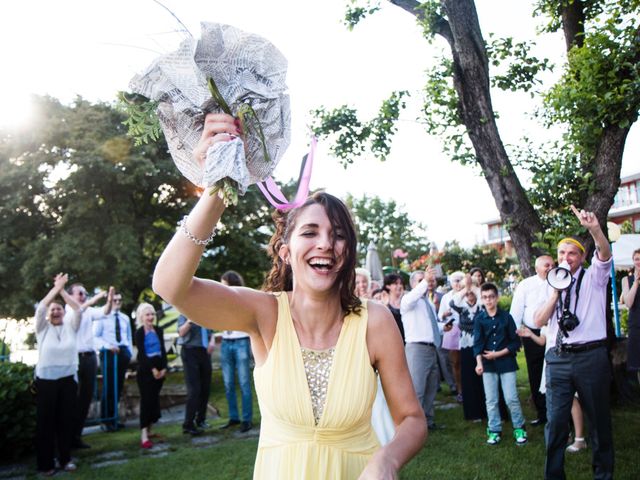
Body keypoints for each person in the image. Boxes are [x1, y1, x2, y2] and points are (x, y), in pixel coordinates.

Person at [153, 113, 425, 479]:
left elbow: (411, 419)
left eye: (339, 234)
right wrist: (219, 185)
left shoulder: (374, 320)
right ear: (285, 252)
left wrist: (387, 458)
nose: (326, 244)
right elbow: (170, 286)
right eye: (310, 232)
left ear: (349, 251)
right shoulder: (263, 314)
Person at [534, 205, 614, 480]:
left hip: (591, 357)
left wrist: (594, 229)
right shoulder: (551, 282)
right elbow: (538, 320)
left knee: (599, 422)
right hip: (559, 358)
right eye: (561, 253)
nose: (566, 258)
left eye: (572, 253)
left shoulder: (594, 276)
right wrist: (556, 294)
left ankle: (603, 474)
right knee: (555, 423)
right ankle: (553, 475)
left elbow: (604, 254)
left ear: (581, 256)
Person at [34, 273, 81, 475]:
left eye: (59, 309)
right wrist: (55, 289)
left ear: (63, 312)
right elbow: (40, 308)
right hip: (46, 381)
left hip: (68, 379)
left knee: (65, 421)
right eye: (53, 309)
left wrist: (63, 291)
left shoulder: (71, 326)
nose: (55, 311)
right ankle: (46, 463)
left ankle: (65, 459)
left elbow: (77, 309)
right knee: (46, 423)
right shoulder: (42, 329)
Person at [474, 282, 527, 446]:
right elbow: (477, 344)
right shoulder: (480, 319)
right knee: (491, 400)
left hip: (506, 362)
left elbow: (515, 343)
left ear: (496, 298)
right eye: (485, 297)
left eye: (491, 297)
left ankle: (519, 428)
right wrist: (479, 363)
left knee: (511, 398)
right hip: (488, 365)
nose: (488, 300)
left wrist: (498, 353)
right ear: (481, 300)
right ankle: (494, 430)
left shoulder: (506, 317)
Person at [401, 267, 449, 431]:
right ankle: (412, 428)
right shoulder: (408, 300)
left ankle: (428, 422)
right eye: (421, 280)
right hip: (417, 350)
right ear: (413, 283)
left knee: (430, 388)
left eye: (426, 279)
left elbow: (431, 325)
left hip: (431, 348)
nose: (426, 282)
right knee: (417, 390)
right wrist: (425, 281)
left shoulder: (426, 302)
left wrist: (443, 327)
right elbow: (414, 295)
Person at [510, 254, 555, 426]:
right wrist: (515, 336)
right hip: (531, 333)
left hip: (553, 332)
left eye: (552, 264)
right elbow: (516, 311)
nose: (550, 267)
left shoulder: (558, 281)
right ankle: (542, 413)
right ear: (537, 268)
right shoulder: (526, 285)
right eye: (546, 265)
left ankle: (560, 413)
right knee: (535, 373)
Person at [67, 283, 107, 449]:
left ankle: (77, 436)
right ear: (70, 296)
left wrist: (109, 300)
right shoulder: (67, 312)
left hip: (89, 357)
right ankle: (66, 436)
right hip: (74, 358)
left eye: (84, 293)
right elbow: (80, 309)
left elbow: (105, 312)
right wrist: (96, 298)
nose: (83, 296)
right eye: (80, 293)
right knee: (71, 399)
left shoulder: (89, 311)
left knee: (85, 398)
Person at [219, 270, 254, 433]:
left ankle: (247, 419)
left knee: (244, 383)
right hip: (226, 342)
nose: (221, 286)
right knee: (228, 383)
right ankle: (234, 417)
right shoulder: (221, 301)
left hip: (241, 342)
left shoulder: (243, 299)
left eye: (223, 283)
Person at [94, 287, 132, 431]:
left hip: (121, 352)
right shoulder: (102, 317)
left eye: (119, 300)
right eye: (114, 300)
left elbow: (128, 336)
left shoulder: (124, 318)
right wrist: (107, 346)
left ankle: (114, 418)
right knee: (108, 386)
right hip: (108, 352)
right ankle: (106, 420)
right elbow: (95, 336)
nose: (117, 302)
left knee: (118, 386)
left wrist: (127, 351)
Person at [449, 277, 486, 421]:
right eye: (467, 290)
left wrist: (474, 287)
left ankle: (486, 410)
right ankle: (473, 413)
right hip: (466, 346)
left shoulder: (482, 306)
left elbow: (483, 297)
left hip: (482, 346)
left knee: (484, 379)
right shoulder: (462, 307)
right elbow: (452, 302)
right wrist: (465, 288)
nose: (469, 292)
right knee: (469, 379)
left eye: (471, 289)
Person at [134, 302, 167, 449]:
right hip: (146, 371)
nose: (150, 317)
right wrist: (153, 369)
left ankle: (150, 429)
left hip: (159, 370)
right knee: (146, 402)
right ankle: (144, 435)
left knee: (154, 401)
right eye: (147, 314)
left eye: (152, 314)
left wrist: (164, 367)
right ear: (141, 316)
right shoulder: (139, 333)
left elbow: (163, 350)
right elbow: (142, 354)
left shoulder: (159, 330)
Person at [177, 313, 215, 435]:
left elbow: (211, 330)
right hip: (189, 351)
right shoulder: (184, 312)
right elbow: (181, 333)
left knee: (205, 388)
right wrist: (190, 320)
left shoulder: (204, 311)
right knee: (194, 390)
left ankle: (201, 420)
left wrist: (212, 341)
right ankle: (188, 424)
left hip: (204, 352)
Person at [438, 271, 464, 399]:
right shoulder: (446, 297)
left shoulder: (467, 294)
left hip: (466, 329)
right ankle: (460, 390)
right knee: (455, 363)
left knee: (468, 361)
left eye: (460, 280)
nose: (458, 283)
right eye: (455, 280)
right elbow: (439, 316)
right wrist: (444, 314)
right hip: (452, 329)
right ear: (451, 283)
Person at [622, 248, 640, 378]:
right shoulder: (626, 280)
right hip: (636, 325)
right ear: (633, 261)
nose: (639, 262)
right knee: (637, 363)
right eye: (637, 259)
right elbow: (628, 302)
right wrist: (636, 282)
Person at [383, 273, 405, 343]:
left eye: (401, 283)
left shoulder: (406, 300)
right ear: (388, 286)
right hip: (391, 339)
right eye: (396, 284)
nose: (399, 286)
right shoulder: (384, 301)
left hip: (406, 338)